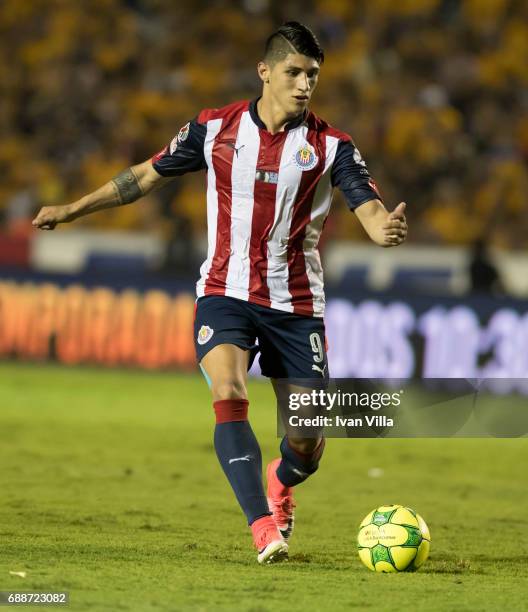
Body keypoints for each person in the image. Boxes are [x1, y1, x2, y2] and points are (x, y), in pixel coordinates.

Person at [33, 21, 408, 564]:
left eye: (313, 75)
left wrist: (383, 230)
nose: (305, 85)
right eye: (294, 72)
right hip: (223, 292)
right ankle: (262, 527)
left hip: (296, 306)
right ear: (265, 72)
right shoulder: (214, 130)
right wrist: (71, 209)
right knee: (228, 392)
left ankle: (283, 478)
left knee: (304, 436)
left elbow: (369, 210)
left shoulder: (332, 147)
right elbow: (144, 176)